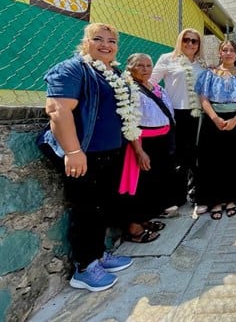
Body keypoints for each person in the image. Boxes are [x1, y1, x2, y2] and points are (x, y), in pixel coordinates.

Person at [39, 23, 134, 291]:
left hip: (110, 153)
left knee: (102, 208)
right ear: (85, 42)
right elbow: (57, 109)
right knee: (86, 210)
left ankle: (99, 255)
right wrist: (73, 151)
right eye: (98, 39)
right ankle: (84, 268)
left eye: (112, 40)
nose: (106, 44)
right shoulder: (72, 68)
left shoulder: (113, 73)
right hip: (84, 154)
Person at [121, 53, 178, 243]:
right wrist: (139, 151)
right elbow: (129, 122)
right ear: (130, 68)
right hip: (143, 144)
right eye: (140, 65)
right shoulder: (128, 89)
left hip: (161, 143)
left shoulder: (155, 87)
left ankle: (144, 219)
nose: (145, 69)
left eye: (148, 65)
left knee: (153, 184)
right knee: (139, 185)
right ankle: (134, 228)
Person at [195, 40, 236, 219]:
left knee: (234, 160)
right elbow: (204, 99)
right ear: (219, 53)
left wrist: (235, 120)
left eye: (231, 50)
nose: (228, 53)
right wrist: (215, 118)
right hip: (213, 122)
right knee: (212, 160)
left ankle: (231, 198)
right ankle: (214, 200)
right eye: (224, 50)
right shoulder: (209, 74)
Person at [151, 28, 207, 213]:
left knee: (196, 156)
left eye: (194, 41)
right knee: (176, 157)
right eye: (186, 40)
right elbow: (151, 82)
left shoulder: (201, 64)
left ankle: (197, 195)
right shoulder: (168, 59)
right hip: (175, 114)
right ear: (180, 41)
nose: (190, 44)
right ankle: (176, 196)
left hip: (196, 114)